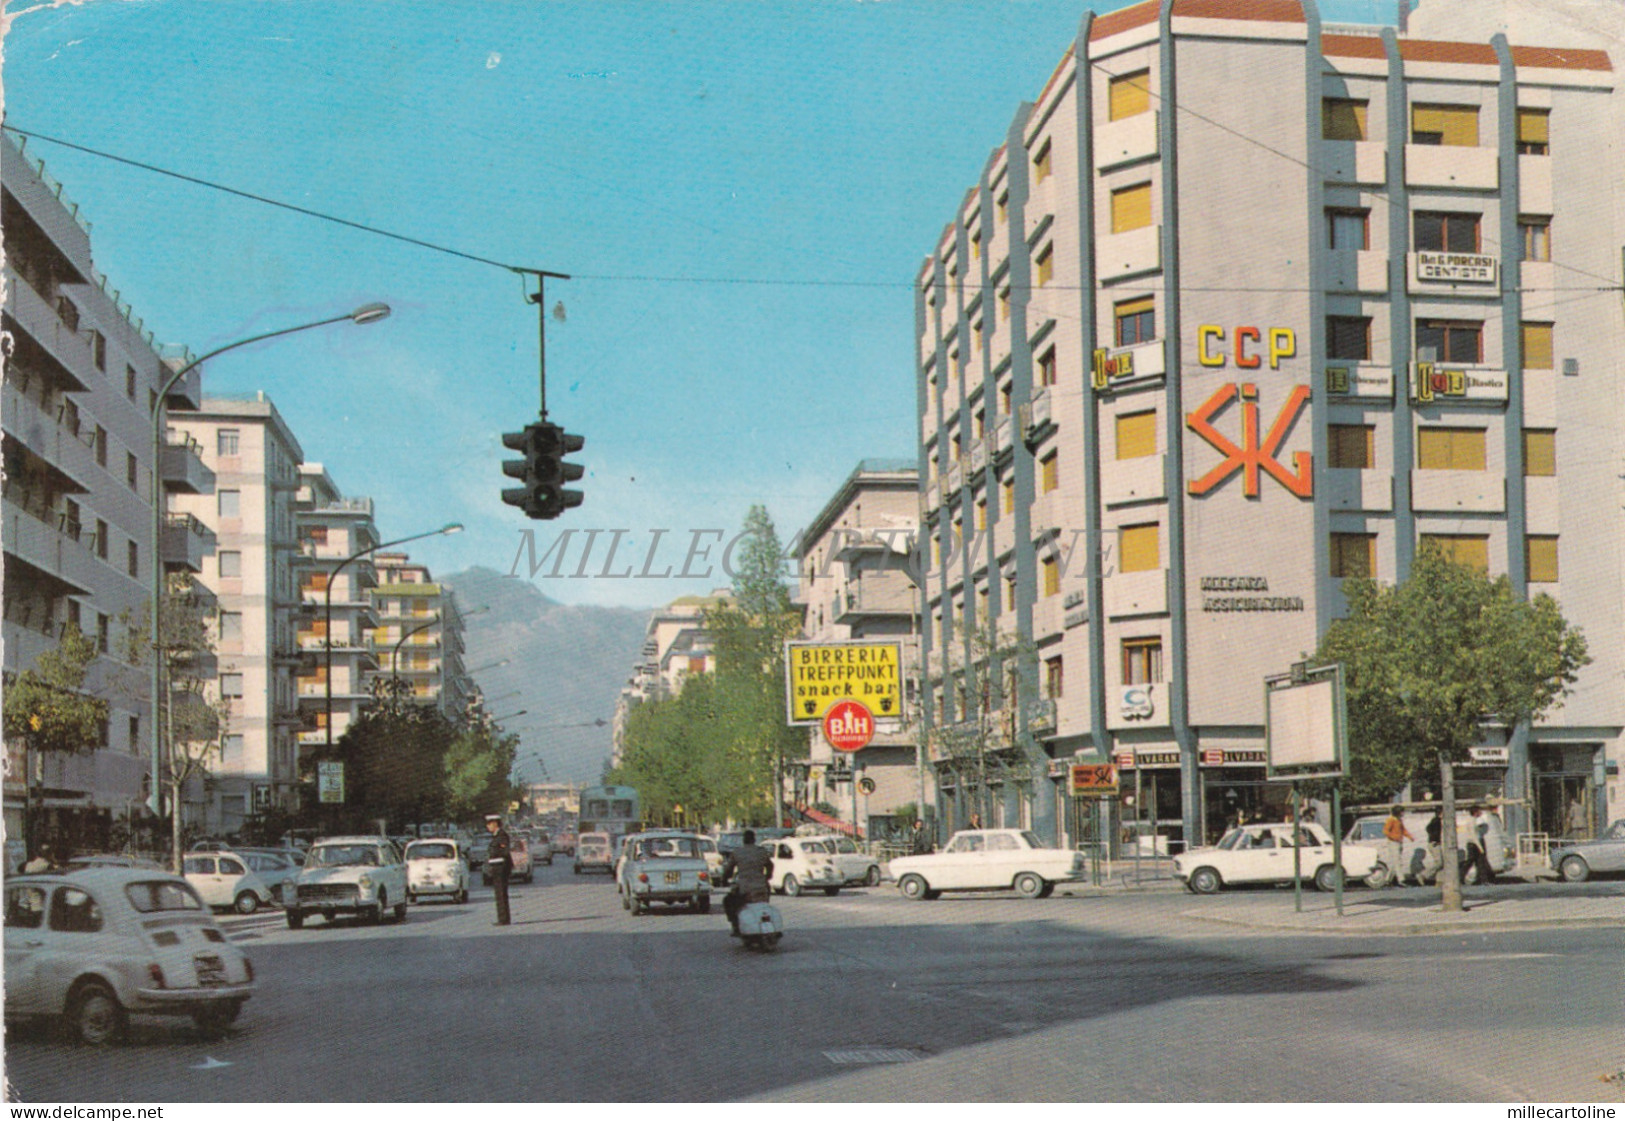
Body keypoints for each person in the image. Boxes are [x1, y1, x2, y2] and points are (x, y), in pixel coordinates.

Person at [720, 829, 774, 938]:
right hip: (762, 887)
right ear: (754, 839)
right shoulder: (761, 851)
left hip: (744, 889)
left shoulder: (737, 852)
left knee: (728, 901)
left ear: (743, 840)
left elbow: (728, 869)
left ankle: (736, 926)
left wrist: (724, 879)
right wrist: (767, 877)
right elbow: (770, 866)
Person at [484, 814, 512, 926]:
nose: (487, 826)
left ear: (495, 824)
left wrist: (495, 856)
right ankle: (502, 917)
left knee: (501, 893)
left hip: (501, 868)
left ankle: (503, 919)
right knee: (499, 893)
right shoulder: (496, 836)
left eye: (489, 824)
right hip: (496, 867)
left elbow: (504, 852)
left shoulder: (502, 836)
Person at [1465, 807, 1498, 885]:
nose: (1481, 812)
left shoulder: (1474, 820)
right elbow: (1474, 836)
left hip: (1475, 843)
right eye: (1479, 811)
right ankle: (1461, 876)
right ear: (1475, 812)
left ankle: (1483, 880)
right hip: (1474, 844)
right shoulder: (1472, 821)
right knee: (1472, 862)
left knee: (1480, 863)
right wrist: (1480, 847)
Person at [1382, 806, 1413, 887]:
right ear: (1398, 812)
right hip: (1393, 842)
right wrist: (1394, 837)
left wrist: (1409, 836)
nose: (1403, 813)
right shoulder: (1391, 820)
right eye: (1402, 811)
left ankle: (1387, 880)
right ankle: (1401, 880)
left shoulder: (1399, 820)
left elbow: (1403, 830)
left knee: (1394, 862)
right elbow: (1385, 831)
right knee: (1397, 861)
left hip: (1399, 842)